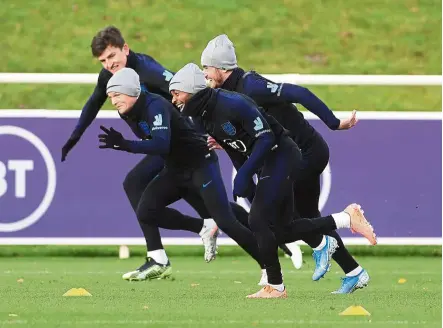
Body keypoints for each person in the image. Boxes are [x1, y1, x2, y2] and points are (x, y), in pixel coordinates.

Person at [169, 63, 377, 298]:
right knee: (280, 228)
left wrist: (333, 122)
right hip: (272, 157)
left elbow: (268, 135)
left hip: (285, 153)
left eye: (176, 92)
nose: (173, 99)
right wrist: (246, 182)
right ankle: (342, 232)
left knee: (262, 221)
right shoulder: (201, 116)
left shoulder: (239, 96)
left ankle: (280, 282)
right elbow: (234, 146)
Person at [60, 26, 251, 274]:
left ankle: (164, 254)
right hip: (164, 144)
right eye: (103, 60)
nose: (108, 64)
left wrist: (211, 124)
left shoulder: (148, 70)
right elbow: (93, 104)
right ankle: (266, 232)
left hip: (181, 142)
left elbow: (190, 88)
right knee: (209, 206)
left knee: (137, 184)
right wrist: (74, 137)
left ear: (125, 49)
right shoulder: (110, 76)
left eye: (111, 56)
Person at [101, 67, 270, 280]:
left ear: (131, 91)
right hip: (175, 170)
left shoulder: (156, 106)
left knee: (226, 220)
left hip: (201, 165)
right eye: (110, 97)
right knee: (146, 212)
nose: (114, 101)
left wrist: (126, 145)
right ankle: (203, 226)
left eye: (117, 94)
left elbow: (161, 145)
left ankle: (268, 267)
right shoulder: (126, 110)